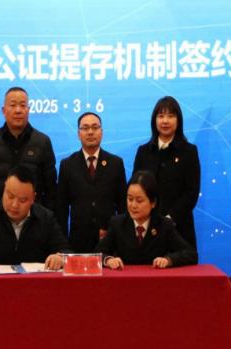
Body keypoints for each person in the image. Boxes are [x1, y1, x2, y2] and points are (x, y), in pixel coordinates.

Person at [0, 165, 71, 272]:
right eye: (10, 196)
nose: (14, 205)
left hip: (35, 285)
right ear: (4, 190)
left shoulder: (46, 218)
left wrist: (60, 258)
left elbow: (66, 251)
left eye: (22, 200)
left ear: (33, 199)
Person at [0, 87, 57, 217]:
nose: (18, 110)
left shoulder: (43, 142)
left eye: (23, 105)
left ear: (28, 110)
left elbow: (51, 190)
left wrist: (45, 221)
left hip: (34, 222)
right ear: (4, 110)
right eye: (12, 105)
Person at [133, 96, 200, 248]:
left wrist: (170, 219)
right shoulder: (143, 152)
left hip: (179, 229)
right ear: (154, 120)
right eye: (161, 116)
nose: (165, 121)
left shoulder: (189, 152)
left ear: (178, 121)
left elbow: (191, 193)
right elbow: (135, 190)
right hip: (147, 228)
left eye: (170, 116)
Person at [95, 171, 198, 270]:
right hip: (126, 279)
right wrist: (108, 260)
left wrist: (168, 260)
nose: (133, 205)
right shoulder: (117, 223)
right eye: (130, 199)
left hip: (155, 280)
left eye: (139, 200)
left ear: (153, 202)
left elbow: (191, 254)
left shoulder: (164, 225)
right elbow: (97, 253)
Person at [56, 112, 127, 252]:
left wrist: (121, 237)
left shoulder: (116, 163)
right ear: (78, 134)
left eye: (95, 127)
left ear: (102, 132)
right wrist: (62, 246)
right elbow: (61, 209)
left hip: (109, 241)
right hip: (78, 242)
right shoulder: (67, 165)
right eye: (85, 128)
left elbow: (123, 205)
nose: (90, 132)